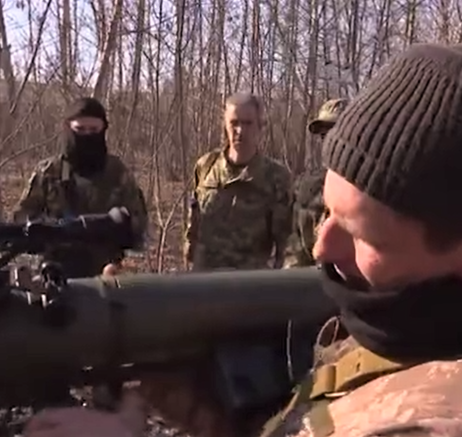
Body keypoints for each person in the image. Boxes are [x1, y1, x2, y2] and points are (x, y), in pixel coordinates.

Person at [24, 43, 462, 437]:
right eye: (330, 212)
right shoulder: (388, 332)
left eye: (363, 234)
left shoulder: (435, 414)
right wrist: (203, 411)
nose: (322, 248)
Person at [13, 97, 148, 278]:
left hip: (106, 272)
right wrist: (47, 231)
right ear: (69, 128)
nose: (87, 136)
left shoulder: (118, 173)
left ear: (103, 130)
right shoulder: (49, 172)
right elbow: (22, 218)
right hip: (55, 271)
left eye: (94, 130)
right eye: (80, 130)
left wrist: (114, 228)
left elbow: (138, 224)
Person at [183, 92, 292, 271]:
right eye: (234, 123)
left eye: (248, 123)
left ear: (260, 126)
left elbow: (286, 246)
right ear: (225, 125)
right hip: (205, 279)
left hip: (249, 282)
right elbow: (193, 228)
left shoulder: (276, 177)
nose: (240, 131)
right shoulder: (206, 166)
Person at [285, 98, 349, 268]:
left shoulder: (371, 191)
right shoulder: (307, 190)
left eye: (337, 133)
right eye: (324, 135)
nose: (329, 141)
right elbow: (296, 254)